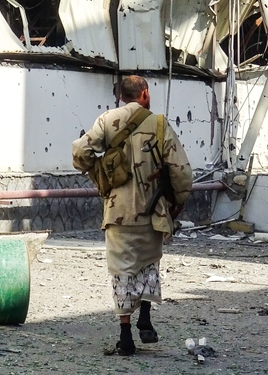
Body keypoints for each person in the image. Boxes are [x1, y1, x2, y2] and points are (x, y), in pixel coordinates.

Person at [71, 75, 193, 356]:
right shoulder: (159, 124)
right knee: (148, 264)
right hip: (153, 212)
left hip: (118, 212)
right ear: (145, 95)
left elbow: (79, 152)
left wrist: (98, 170)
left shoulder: (106, 121)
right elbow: (182, 171)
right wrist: (178, 202)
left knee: (122, 272)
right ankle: (145, 316)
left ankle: (126, 336)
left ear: (121, 97)